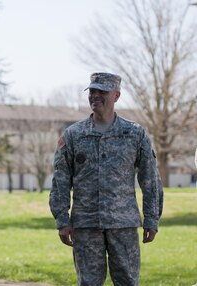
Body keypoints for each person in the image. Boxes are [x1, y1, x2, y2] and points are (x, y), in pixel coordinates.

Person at [49, 72, 163, 286]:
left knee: (128, 282)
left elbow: (150, 179)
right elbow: (60, 181)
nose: (96, 96)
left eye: (102, 91)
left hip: (123, 225)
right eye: (92, 91)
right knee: (89, 283)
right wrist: (62, 220)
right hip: (86, 225)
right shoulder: (73, 135)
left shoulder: (134, 134)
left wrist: (152, 218)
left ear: (116, 96)